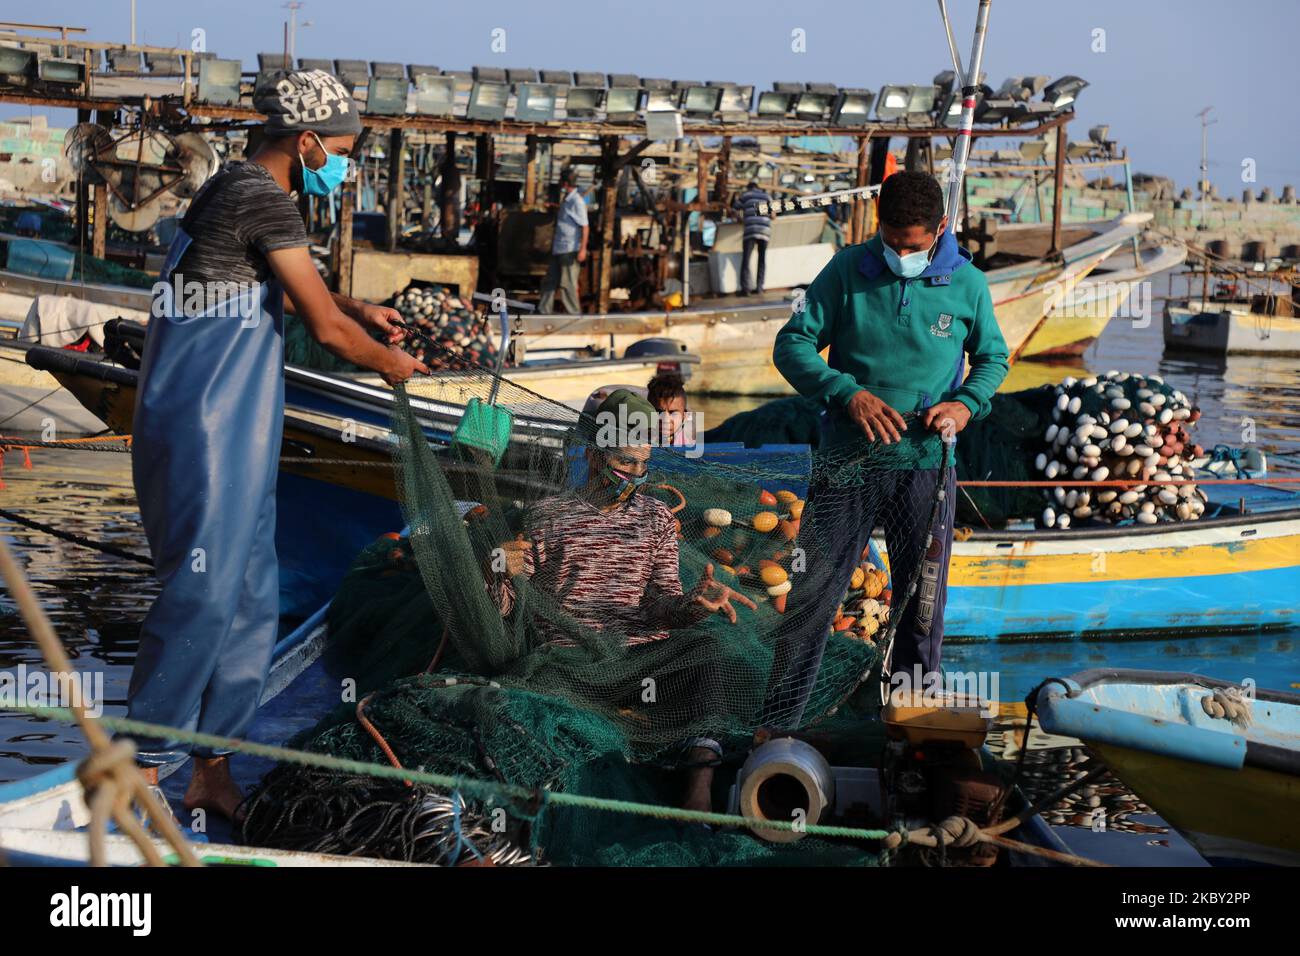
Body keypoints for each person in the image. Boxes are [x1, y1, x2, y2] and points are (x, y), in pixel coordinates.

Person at [125, 70, 428, 821]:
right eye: (345, 148)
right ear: (307, 140)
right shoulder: (256, 195)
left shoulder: (247, 190)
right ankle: (140, 766)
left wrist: (357, 305)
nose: (345, 162)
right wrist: (390, 363)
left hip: (242, 427)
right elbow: (322, 328)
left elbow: (299, 288)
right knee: (201, 592)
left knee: (254, 598)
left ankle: (212, 765)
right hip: (200, 424)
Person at [762, 170, 1009, 728]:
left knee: (921, 601)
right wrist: (846, 394)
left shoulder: (970, 285)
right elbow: (792, 343)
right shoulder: (848, 269)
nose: (900, 253)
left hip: (925, 466)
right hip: (847, 463)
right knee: (813, 594)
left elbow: (993, 359)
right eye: (891, 242)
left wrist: (965, 405)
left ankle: (909, 725)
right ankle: (778, 724)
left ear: (940, 229)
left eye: (913, 245)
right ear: (878, 225)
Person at [487, 390, 755, 811]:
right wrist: (499, 571)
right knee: (528, 696)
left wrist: (692, 605)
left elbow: (661, 605)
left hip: (640, 660)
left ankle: (697, 790)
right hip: (570, 663)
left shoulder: (658, 518)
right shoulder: (547, 516)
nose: (636, 474)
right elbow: (509, 609)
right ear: (595, 457)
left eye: (644, 464)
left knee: (708, 652)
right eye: (625, 463)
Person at [537, 166, 588, 314]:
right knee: (550, 281)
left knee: (568, 284)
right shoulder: (567, 200)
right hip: (559, 248)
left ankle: (574, 314)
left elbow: (585, 226)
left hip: (569, 249)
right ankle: (543, 311)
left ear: (565, 184)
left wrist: (582, 248)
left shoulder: (577, 202)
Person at [732, 180, 772, 296]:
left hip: (750, 230)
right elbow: (773, 214)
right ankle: (759, 287)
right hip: (764, 231)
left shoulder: (746, 195)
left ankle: (746, 289)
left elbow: (734, 209)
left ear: (748, 188)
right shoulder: (766, 196)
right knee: (762, 259)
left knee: (746, 260)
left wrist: (740, 219)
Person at [647, 370, 691, 446]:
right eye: (658, 411)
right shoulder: (638, 440)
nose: (665, 420)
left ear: (684, 416)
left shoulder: (686, 445)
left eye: (673, 413)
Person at [436, 132, 462, 243]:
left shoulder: (450, 173)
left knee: (449, 208)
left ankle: (451, 137)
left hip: (450, 196)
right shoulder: (450, 173)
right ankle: (450, 137)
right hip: (450, 196)